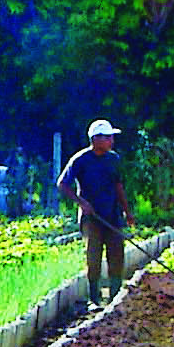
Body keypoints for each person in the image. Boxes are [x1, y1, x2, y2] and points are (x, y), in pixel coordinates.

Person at [55, 120, 132, 303]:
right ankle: (94, 298)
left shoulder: (114, 159)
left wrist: (127, 212)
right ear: (96, 139)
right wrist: (82, 203)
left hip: (113, 215)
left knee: (116, 255)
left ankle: (114, 295)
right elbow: (62, 184)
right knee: (93, 257)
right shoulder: (80, 160)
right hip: (92, 218)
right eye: (108, 137)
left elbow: (118, 186)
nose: (112, 141)